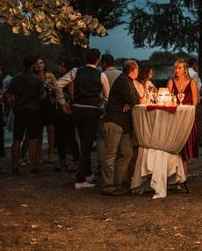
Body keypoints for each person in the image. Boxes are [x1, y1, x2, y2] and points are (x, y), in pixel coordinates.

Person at [56, 48, 110, 190]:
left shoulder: (76, 71)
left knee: (83, 141)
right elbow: (107, 97)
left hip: (78, 109)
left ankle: (87, 174)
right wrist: (102, 108)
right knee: (87, 144)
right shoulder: (101, 75)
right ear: (98, 60)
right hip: (92, 111)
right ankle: (81, 178)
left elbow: (58, 84)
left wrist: (63, 103)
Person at [100, 60, 140, 195]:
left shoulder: (128, 81)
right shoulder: (123, 80)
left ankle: (118, 182)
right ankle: (107, 185)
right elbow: (135, 99)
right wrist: (131, 102)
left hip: (123, 123)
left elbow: (136, 98)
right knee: (111, 154)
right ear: (133, 70)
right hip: (114, 121)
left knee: (127, 152)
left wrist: (130, 102)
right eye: (137, 69)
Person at [7, 55, 45, 175]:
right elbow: (42, 96)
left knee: (17, 139)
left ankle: (15, 165)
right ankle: (33, 167)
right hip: (33, 111)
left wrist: (12, 106)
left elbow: (9, 94)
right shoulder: (37, 79)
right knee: (33, 139)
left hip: (19, 110)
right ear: (33, 65)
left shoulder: (15, 79)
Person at [167, 59, 199, 174]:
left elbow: (195, 101)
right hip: (174, 117)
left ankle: (183, 173)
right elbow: (167, 99)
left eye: (179, 68)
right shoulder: (171, 82)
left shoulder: (192, 82)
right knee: (175, 145)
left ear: (185, 69)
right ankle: (175, 173)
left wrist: (190, 114)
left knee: (185, 145)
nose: (177, 70)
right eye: (175, 68)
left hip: (187, 117)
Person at [54, 59, 80, 172]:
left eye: (63, 66)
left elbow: (73, 95)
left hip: (69, 110)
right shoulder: (61, 79)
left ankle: (76, 160)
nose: (61, 68)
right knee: (60, 137)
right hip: (61, 111)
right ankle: (63, 161)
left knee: (71, 137)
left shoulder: (71, 80)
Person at [35, 58, 57, 163]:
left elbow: (57, 88)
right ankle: (39, 154)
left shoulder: (50, 76)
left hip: (49, 104)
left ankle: (51, 152)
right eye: (37, 63)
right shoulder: (33, 77)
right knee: (39, 129)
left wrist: (52, 91)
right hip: (38, 104)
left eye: (41, 62)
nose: (39, 65)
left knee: (51, 128)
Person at [188, 57, 202, 149]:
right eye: (197, 65)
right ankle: (200, 140)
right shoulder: (194, 74)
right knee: (199, 120)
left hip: (187, 100)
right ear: (194, 64)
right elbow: (197, 88)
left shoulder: (185, 72)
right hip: (195, 100)